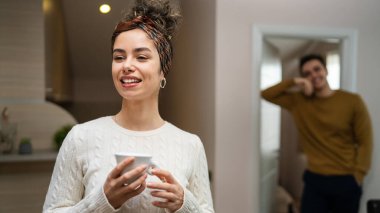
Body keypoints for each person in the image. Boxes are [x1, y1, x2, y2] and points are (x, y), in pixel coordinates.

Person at [43, 0, 214, 212]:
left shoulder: (191, 146)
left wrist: (184, 204)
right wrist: (102, 201)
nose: (127, 66)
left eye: (141, 57)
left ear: (163, 70)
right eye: (119, 57)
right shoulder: (80, 138)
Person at [261, 53, 373, 213]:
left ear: (326, 70)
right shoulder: (298, 102)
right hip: (315, 180)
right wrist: (294, 81)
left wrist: (359, 175)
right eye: (307, 73)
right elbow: (266, 94)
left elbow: (365, 140)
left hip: (346, 180)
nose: (314, 75)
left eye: (317, 69)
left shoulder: (352, 100)